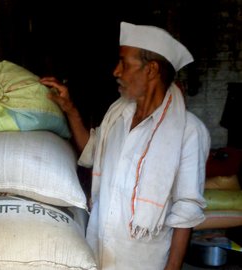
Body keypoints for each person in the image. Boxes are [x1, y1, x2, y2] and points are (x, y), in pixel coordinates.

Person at [40, 21, 211, 270]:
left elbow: (186, 210)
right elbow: (92, 151)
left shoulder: (189, 131)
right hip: (99, 249)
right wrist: (70, 109)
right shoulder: (117, 116)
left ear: (151, 70)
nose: (116, 72)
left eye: (124, 63)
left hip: (143, 261)